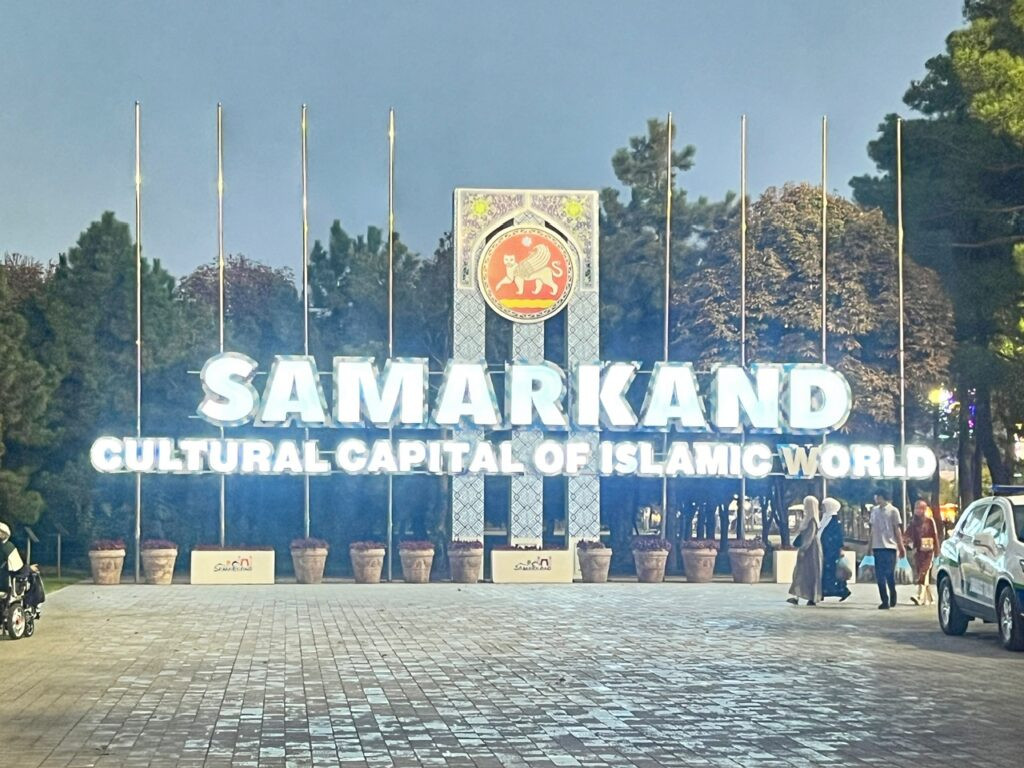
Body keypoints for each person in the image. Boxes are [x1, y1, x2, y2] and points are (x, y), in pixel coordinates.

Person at [868, 488, 905, 609]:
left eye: (877, 496)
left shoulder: (893, 511)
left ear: (882, 497)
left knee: (889, 574)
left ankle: (893, 592)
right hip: (877, 547)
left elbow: (897, 530)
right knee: (879, 576)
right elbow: (872, 529)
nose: (875, 498)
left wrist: (901, 546)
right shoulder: (874, 511)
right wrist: (869, 546)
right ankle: (884, 600)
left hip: (890, 547)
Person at [787, 495, 823, 606]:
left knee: (810, 573)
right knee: (801, 573)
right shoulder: (808, 519)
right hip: (809, 549)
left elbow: (809, 537)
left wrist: (803, 549)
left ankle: (811, 597)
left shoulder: (812, 521)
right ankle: (798, 595)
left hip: (810, 550)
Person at [905, 499, 939, 606]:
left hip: (929, 552)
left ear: (924, 509)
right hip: (918, 552)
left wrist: (937, 551)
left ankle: (919, 596)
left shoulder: (930, 521)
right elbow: (907, 534)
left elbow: (935, 536)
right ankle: (931, 598)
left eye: (920, 508)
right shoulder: (913, 523)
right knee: (921, 573)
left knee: (923, 573)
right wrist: (906, 542)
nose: (917, 510)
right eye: (916, 508)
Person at [818, 497, 851, 601]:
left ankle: (839, 591)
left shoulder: (834, 521)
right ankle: (824, 593)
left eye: (824, 506)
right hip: (824, 551)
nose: (822, 508)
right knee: (825, 574)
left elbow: (837, 537)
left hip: (831, 553)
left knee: (829, 574)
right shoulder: (825, 519)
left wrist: (838, 550)